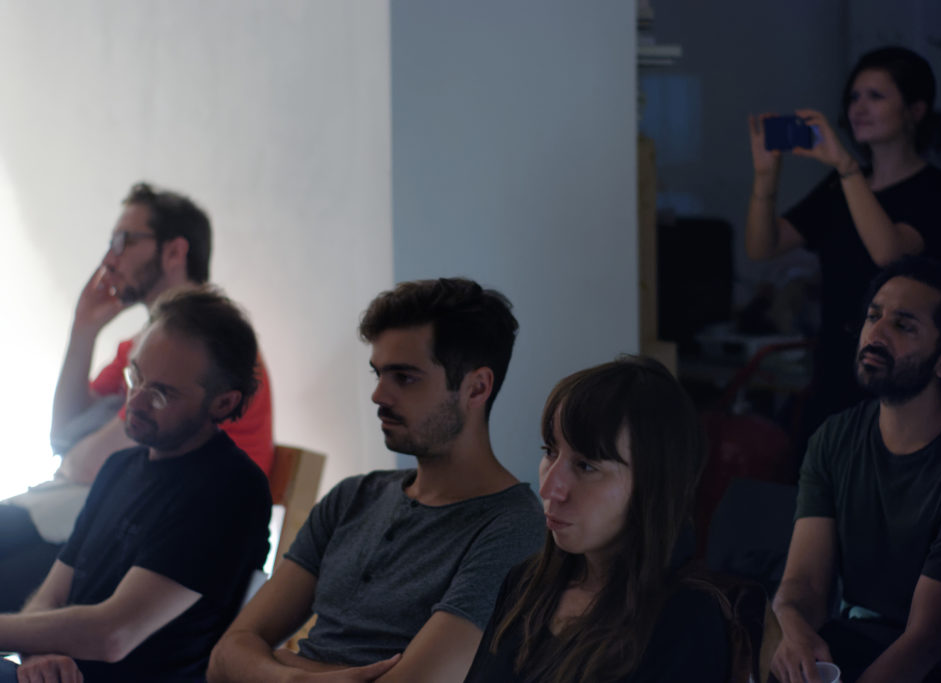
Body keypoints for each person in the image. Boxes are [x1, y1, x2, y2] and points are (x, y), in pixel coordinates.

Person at [207, 277, 545, 683]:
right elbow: (224, 657)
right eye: (379, 374)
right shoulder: (352, 497)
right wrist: (294, 680)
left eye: (404, 377)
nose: (379, 395)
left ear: (476, 388)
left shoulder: (512, 527)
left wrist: (278, 665)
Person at [0, 181, 275, 613]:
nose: (110, 258)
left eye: (124, 241)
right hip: (109, 514)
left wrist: (74, 459)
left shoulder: (214, 354)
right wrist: (83, 330)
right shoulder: (140, 348)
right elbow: (64, 436)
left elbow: (85, 464)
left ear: (174, 252)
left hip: (167, 537)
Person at [770, 257, 941, 683]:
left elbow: (927, 639)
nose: (875, 333)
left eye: (904, 326)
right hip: (860, 639)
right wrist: (791, 626)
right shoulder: (833, 438)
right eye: (874, 316)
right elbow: (806, 585)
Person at [0, 286, 272, 683]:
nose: (136, 401)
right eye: (136, 376)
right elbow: (51, 594)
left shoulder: (229, 489)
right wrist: (37, 656)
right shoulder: (120, 467)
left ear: (223, 403)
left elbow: (114, 635)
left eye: (161, 393)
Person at [463, 356, 732, 683]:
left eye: (586, 466)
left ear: (652, 485)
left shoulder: (686, 620)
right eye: (550, 452)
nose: (549, 488)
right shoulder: (524, 583)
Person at [745, 46, 941, 432]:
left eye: (876, 96)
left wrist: (846, 166)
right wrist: (765, 177)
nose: (858, 108)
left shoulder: (940, 187)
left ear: (915, 110)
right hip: (835, 362)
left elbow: (890, 254)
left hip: (901, 371)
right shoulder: (839, 185)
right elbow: (763, 246)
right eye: (853, 97)